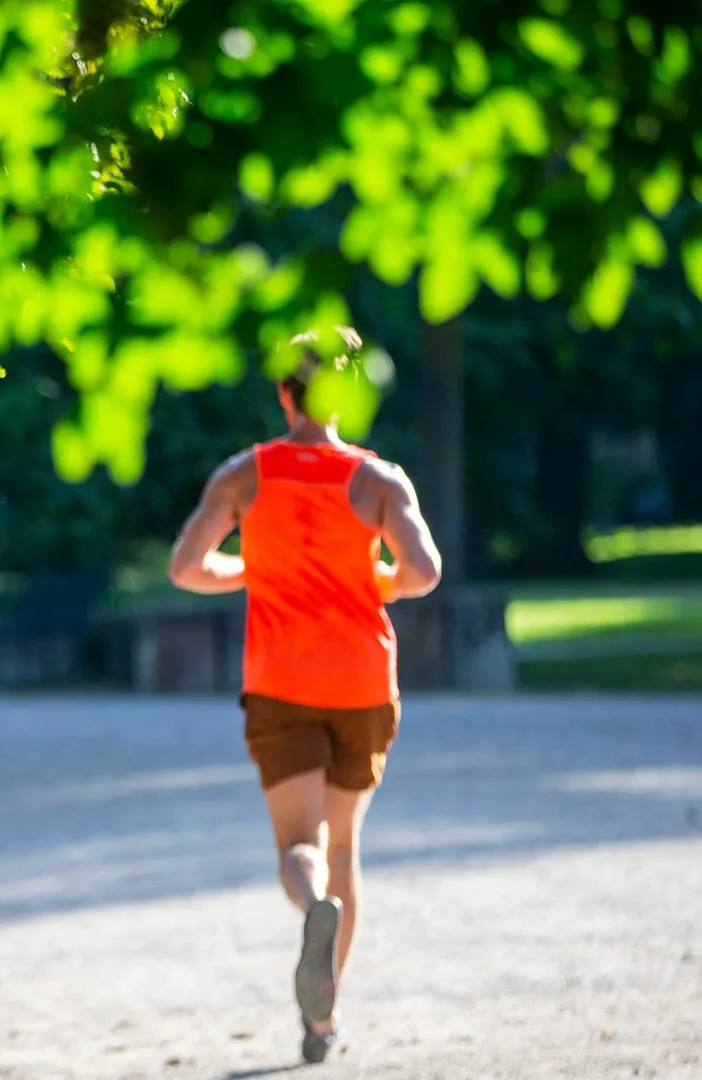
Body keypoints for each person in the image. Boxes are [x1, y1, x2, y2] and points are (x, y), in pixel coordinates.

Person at [165, 328, 442, 1064]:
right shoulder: (381, 481)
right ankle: (324, 1021)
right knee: (346, 841)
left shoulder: (244, 475)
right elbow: (425, 571)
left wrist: (250, 571)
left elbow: (186, 568)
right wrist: (377, 582)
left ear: (284, 393)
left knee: (299, 845)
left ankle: (311, 904)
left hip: (281, 682)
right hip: (360, 682)